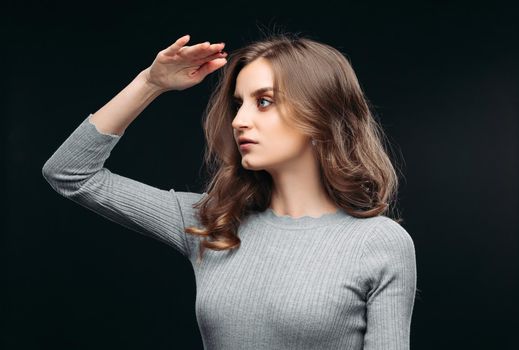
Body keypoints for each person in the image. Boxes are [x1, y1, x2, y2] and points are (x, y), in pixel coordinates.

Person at [42, 31, 417, 349]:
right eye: (238, 104)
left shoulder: (379, 242)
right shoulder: (212, 224)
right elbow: (71, 173)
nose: (239, 120)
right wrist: (150, 83)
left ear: (320, 114)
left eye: (264, 102)